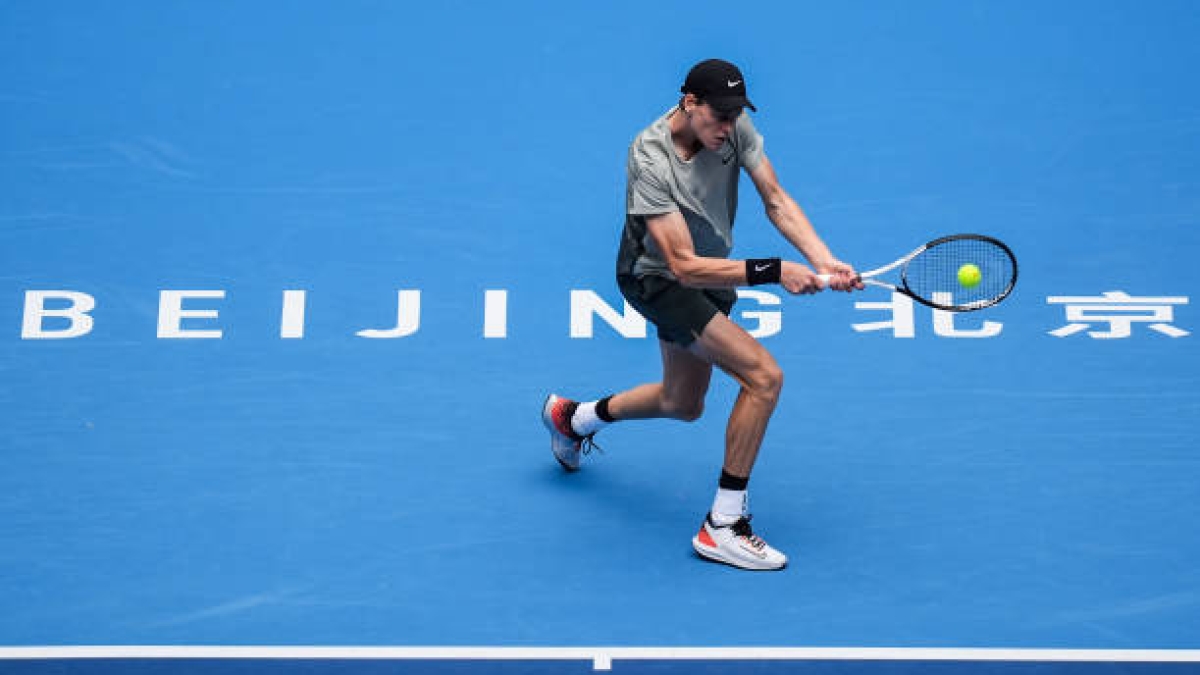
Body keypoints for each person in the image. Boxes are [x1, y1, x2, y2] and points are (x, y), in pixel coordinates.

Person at [542, 59, 861, 571]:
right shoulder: (649, 158)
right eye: (718, 116)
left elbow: (775, 199)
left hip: (711, 270)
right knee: (763, 377)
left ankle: (572, 418)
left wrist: (823, 259)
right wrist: (774, 270)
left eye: (736, 116)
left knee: (683, 401)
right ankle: (724, 525)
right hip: (659, 278)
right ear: (689, 103)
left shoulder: (731, 122)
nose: (728, 128)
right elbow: (683, 267)